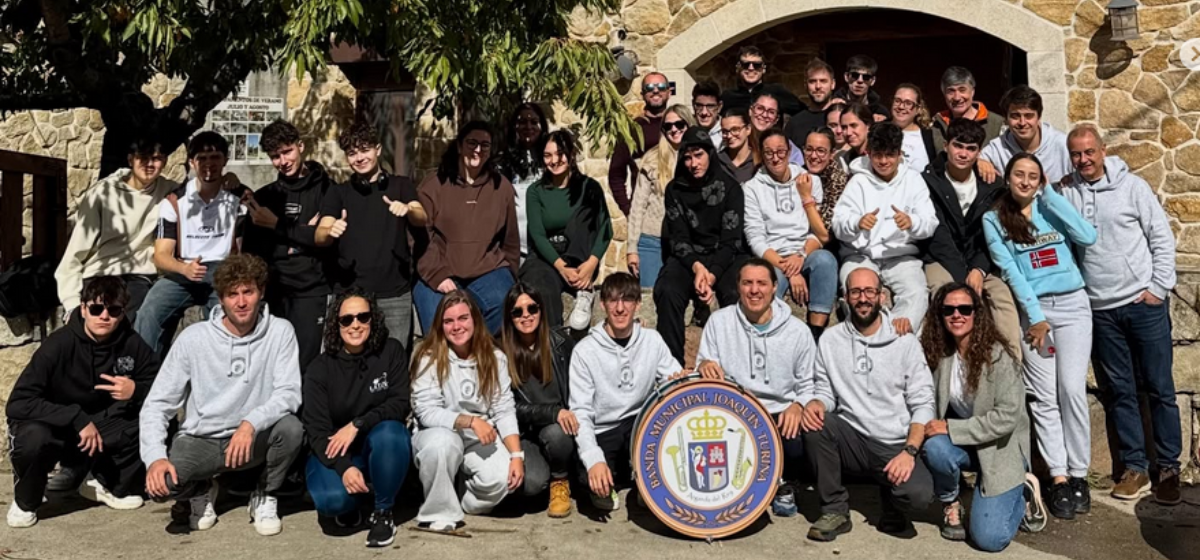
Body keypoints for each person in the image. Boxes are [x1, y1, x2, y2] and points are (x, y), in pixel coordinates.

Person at [1058, 125, 1182, 506]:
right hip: (1100, 309)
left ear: (1103, 150)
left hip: (1142, 304)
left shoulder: (1133, 188)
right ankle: (1135, 468)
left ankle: (1169, 468)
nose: (1084, 160)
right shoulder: (1067, 193)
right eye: (1076, 154)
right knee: (1121, 391)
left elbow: (1160, 238)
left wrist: (1158, 289)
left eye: (1089, 152)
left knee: (1160, 387)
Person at [140, 254, 304, 536]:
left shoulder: (280, 331)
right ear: (221, 298)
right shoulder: (194, 338)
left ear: (261, 292)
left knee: (291, 428)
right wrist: (154, 457)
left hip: (252, 440)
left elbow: (289, 393)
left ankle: (265, 493)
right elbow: (158, 405)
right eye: (232, 294)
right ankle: (201, 488)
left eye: (248, 292)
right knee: (160, 486)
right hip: (201, 439)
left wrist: (250, 423)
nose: (241, 302)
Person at [982, 153, 1097, 521]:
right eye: (1020, 174)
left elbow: (1087, 236)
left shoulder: (1050, 206)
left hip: (1074, 305)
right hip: (1035, 313)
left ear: (1040, 179)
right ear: (1008, 177)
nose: (1026, 181)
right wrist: (1036, 318)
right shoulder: (994, 219)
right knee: (1044, 397)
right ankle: (1059, 477)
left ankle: (1080, 474)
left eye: (1033, 176)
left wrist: (1050, 197)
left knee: (1071, 390)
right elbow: (1012, 272)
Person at [6, 277, 160, 528]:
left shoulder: (130, 342)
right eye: (97, 309)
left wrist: (137, 389)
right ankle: (26, 498)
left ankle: (100, 481)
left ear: (123, 313)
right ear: (83, 308)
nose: (104, 316)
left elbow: (164, 385)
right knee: (35, 437)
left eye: (114, 310)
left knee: (146, 417)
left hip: (96, 429)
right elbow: (18, 404)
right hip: (52, 425)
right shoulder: (58, 345)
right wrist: (75, 417)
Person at [801, 267, 935, 542]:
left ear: (882, 296)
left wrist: (909, 451)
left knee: (919, 496)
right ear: (845, 298)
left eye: (869, 291)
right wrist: (817, 402)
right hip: (853, 438)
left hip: (894, 443)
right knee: (816, 423)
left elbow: (923, 402)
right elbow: (825, 390)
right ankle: (835, 509)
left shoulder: (905, 341)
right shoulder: (830, 340)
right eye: (856, 292)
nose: (863, 298)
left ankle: (892, 503)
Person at [919, 282, 1046, 550]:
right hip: (967, 445)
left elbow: (1007, 418)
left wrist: (952, 428)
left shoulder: (999, 357)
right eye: (948, 309)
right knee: (935, 447)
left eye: (965, 308)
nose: (957, 315)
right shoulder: (941, 354)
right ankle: (951, 501)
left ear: (977, 313)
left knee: (989, 539)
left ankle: (1022, 492)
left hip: (1001, 447)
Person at [696, 259, 817, 517]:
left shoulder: (798, 331)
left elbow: (809, 383)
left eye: (762, 283)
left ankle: (785, 483)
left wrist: (798, 405)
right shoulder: (718, 322)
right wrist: (704, 364)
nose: (754, 290)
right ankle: (737, 489)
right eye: (747, 283)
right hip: (736, 411)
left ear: (775, 287)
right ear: (738, 287)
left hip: (780, 411)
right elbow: (704, 369)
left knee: (802, 432)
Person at [303, 287, 412, 547]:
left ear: (373, 319)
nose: (356, 325)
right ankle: (352, 501)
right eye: (346, 319)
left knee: (392, 432)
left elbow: (399, 403)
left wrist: (357, 424)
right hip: (334, 450)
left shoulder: (391, 351)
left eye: (363, 317)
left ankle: (383, 512)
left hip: (376, 444)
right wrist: (344, 467)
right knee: (333, 502)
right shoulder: (320, 368)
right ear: (335, 325)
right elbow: (317, 432)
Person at [410, 291, 523, 532]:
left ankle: (461, 499)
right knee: (443, 443)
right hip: (438, 433)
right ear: (440, 325)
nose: (456, 326)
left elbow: (504, 409)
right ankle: (438, 512)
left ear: (475, 320)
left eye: (463, 318)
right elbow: (426, 412)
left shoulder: (496, 358)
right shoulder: (428, 356)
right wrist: (469, 421)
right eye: (448, 321)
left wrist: (516, 456)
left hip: (478, 438)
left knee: (505, 479)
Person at [570, 273, 683, 510]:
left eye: (628, 300)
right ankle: (616, 476)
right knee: (587, 478)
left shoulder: (652, 340)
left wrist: (682, 379)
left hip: (638, 426)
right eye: (613, 301)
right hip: (604, 429)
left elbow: (675, 382)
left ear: (638, 304)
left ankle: (646, 484)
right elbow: (581, 411)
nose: (620, 308)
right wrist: (593, 459)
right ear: (602, 305)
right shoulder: (584, 351)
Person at [134, 131, 248, 355]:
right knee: (150, 312)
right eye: (202, 159)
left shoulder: (238, 200)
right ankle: (146, 377)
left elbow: (241, 251)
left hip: (222, 272)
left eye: (215, 157)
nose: (208, 164)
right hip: (182, 271)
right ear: (191, 162)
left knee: (223, 322)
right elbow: (161, 255)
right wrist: (183, 268)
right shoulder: (175, 201)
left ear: (225, 160)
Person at [315, 122, 425, 351]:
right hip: (348, 296)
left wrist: (408, 210)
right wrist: (330, 231)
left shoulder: (401, 186)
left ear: (378, 149)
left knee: (393, 363)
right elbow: (320, 234)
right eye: (352, 153)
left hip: (394, 294)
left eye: (364, 150)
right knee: (344, 365)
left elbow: (421, 216)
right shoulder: (338, 192)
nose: (359, 158)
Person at [920, 118, 1022, 358]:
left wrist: (978, 268)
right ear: (946, 145)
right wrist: (962, 277)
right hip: (941, 260)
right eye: (958, 146)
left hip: (981, 259)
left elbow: (994, 234)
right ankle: (944, 361)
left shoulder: (993, 186)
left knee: (1002, 299)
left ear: (979, 151)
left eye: (971, 148)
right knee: (943, 293)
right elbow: (938, 234)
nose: (963, 154)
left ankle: (1010, 367)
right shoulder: (928, 182)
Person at [242, 120, 335, 371]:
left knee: (307, 365)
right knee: (272, 365)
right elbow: (254, 253)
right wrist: (305, 235)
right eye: (275, 156)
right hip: (275, 292)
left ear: (300, 146)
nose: (283, 161)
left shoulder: (328, 191)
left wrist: (277, 226)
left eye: (287, 152)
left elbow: (328, 243)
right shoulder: (264, 197)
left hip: (312, 290)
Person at [413, 121, 521, 336]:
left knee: (507, 304)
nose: (478, 150)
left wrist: (510, 272)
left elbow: (510, 239)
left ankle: (476, 352)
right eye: (472, 143)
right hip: (440, 269)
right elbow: (419, 236)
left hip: (487, 271)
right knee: (437, 325)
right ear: (460, 146)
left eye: (485, 145)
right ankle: (448, 364)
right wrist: (437, 276)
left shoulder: (502, 187)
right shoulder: (433, 185)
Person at [833, 122, 939, 334]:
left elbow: (930, 222)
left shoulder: (913, 180)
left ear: (899, 154)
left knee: (917, 293)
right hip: (860, 255)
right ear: (868, 153)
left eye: (889, 155)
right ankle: (866, 337)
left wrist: (912, 223)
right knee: (855, 291)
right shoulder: (858, 182)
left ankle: (894, 338)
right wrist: (856, 223)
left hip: (901, 256)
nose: (883, 161)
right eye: (877, 155)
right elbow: (838, 224)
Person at [55, 138, 178, 320]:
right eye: (142, 157)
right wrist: (71, 304)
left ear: (165, 162)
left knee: (132, 320)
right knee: (98, 320)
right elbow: (75, 253)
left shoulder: (170, 191)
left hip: (139, 276)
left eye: (156, 158)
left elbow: (205, 191)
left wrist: (231, 182)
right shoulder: (102, 193)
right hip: (100, 272)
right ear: (130, 160)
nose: (149, 164)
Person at [654, 128, 749, 363]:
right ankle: (672, 367)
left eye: (699, 155)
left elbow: (731, 240)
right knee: (667, 290)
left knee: (736, 293)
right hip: (689, 257)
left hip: (725, 256)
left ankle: (734, 365)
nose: (693, 163)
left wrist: (712, 276)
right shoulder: (675, 190)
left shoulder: (730, 188)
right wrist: (697, 268)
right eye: (687, 157)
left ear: (710, 154)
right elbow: (678, 238)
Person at [742, 130, 836, 335]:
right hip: (773, 257)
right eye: (769, 153)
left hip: (804, 252)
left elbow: (817, 234)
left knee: (826, 260)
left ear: (789, 151)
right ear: (762, 154)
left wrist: (801, 256)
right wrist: (788, 268)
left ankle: (815, 334)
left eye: (781, 151)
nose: (775, 158)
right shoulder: (752, 188)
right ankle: (770, 335)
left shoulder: (809, 181)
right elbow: (755, 237)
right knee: (766, 280)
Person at [520, 129, 614, 330]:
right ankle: (554, 345)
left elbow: (605, 228)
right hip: (547, 258)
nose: (554, 160)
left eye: (559, 153)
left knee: (583, 215)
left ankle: (583, 292)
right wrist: (561, 267)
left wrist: (590, 264)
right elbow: (537, 234)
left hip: (582, 258)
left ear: (570, 154)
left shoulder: (589, 187)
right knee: (540, 289)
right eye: (548, 155)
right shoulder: (535, 192)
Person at [499, 283, 577, 517]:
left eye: (532, 308)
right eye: (517, 311)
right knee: (532, 484)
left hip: (559, 428)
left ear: (541, 310)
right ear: (509, 316)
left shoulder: (561, 344)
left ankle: (560, 481)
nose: (526, 316)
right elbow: (508, 407)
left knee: (557, 434)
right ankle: (546, 472)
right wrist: (551, 412)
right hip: (524, 432)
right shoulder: (500, 352)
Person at [627, 105, 696, 289]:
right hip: (653, 240)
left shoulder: (700, 157)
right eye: (668, 126)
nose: (674, 129)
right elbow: (638, 206)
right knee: (650, 300)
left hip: (690, 243)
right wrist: (632, 248)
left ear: (689, 124)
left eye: (679, 124)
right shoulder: (651, 159)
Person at [981, 86, 1073, 185]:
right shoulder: (996, 149)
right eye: (1015, 116)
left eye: (1028, 116)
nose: (1022, 123)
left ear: (1039, 117)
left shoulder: (1064, 145)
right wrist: (979, 162)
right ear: (1006, 119)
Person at [609, 72, 671, 215]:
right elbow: (616, 174)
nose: (655, 90)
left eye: (661, 86)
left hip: (677, 210)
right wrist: (628, 209)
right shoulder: (631, 130)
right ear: (643, 94)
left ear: (669, 92)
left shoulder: (678, 126)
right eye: (649, 87)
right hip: (645, 211)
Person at [497, 103, 550, 265]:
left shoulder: (550, 159)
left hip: (545, 247)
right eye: (522, 122)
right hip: (513, 246)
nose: (528, 126)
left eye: (534, 122)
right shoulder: (503, 162)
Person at [932, 66, 1004, 153]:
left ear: (972, 91)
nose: (957, 97)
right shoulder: (937, 125)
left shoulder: (997, 124)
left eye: (962, 90)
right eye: (951, 91)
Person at [719, 46, 803, 116]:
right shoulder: (728, 97)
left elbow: (802, 113)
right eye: (745, 64)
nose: (751, 68)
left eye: (757, 65)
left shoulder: (776, 91)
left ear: (763, 69)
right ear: (738, 68)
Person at [804, 128, 849, 235]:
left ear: (832, 153)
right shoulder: (797, 174)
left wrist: (806, 198)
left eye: (820, 151)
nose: (814, 156)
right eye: (809, 149)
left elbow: (826, 230)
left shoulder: (838, 181)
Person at [785, 58, 838, 146]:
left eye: (823, 81)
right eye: (812, 81)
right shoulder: (795, 124)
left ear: (832, 84)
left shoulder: (842, 119)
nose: (818, 86)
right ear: (805, 85)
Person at [748, 92, 803, 166]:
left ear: (776, 119)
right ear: (751, 111)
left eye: (771, 112)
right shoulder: (738, 138)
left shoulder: (785, 144)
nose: (764, 115)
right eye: (760, 108)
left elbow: (799, 167)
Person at [891, 84, 935, 174]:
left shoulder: (929, 136)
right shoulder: (879, 130)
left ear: (918, 109)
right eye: (897, 101)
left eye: (908, 103)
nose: (901, 107)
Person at [829, 55, 890, 121]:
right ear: (846, 77)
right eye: (855, 75)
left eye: (866, 77)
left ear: (873, 81)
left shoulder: (880, 112)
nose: (860, 80)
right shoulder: (832, 105)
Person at [717, 107, 761, 184]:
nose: (729, 135)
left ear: (748, 129)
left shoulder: (759, 161)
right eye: (724, 131)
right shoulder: (717, 161)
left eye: (735, 129)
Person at [837, 103, 873, 172]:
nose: (848, 133)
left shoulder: (881, 155)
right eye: (844, 127)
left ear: (868, 126)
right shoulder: (844, 159)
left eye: (853, 125)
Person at [693, 80, 724, 148]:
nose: (704, 112)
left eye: (710, 106)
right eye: (699, 106)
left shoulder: (727, 134)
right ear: (693, 104)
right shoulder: (686, 130)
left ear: (719, 107)